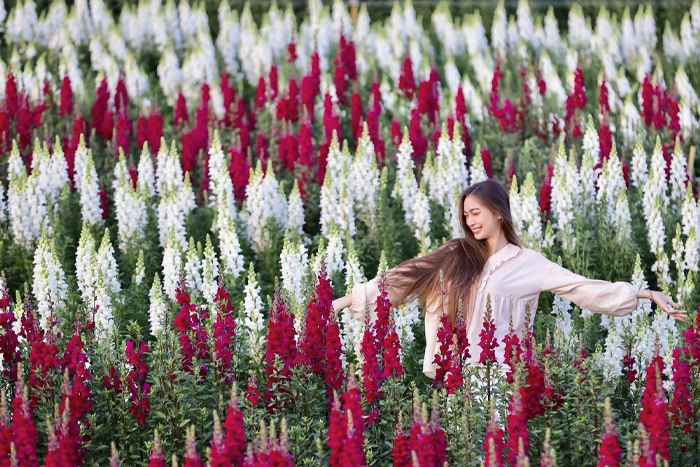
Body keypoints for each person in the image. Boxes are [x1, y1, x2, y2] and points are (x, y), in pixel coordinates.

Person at [331, 179, 687, 379]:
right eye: (466, 214)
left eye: (476, 212)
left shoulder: (529, 263)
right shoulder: (459, 254)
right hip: (459, 373)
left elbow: (581, 287)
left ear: (498, 213)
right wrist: (346, 301)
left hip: (504, 375)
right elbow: (408, 275)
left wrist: (643, 294)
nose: (470, 221)